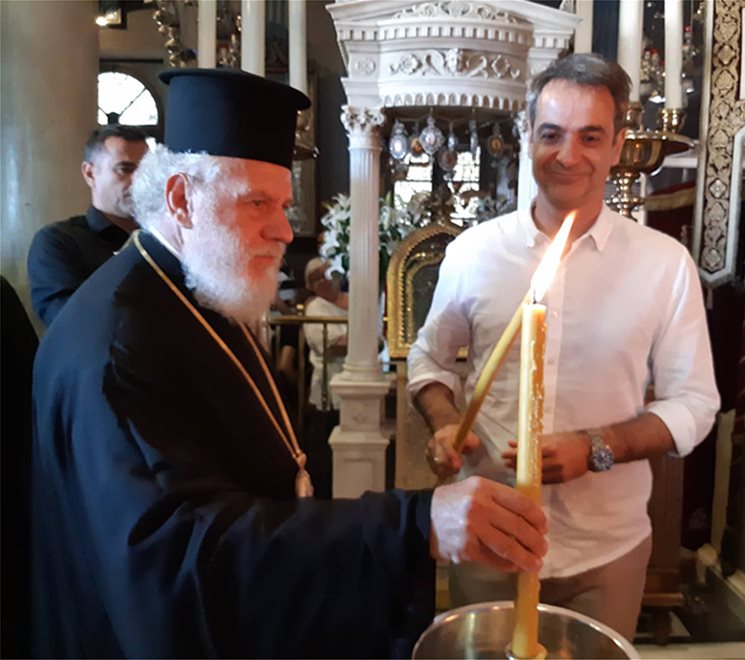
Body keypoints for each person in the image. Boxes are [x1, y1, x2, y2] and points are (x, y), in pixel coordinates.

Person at [30, 68, 547, 658]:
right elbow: (180, 563)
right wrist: (412, 524)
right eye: (257, 203)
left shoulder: (195, 291)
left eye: (282, 204)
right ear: (180, 198)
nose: (282, 231)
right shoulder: (119, 345)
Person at [407, 53, 720, 641]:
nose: (568, 155)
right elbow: (429, 359)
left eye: (590, 137)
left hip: (605, 549)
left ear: (618, 144)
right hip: (490, 535)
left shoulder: (663, 264)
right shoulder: (475, 253)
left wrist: (597, 446)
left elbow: (695, 404)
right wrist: (446, 421)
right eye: (551, 134)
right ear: (528, 135)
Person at [27, 124, 149, 326]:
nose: (139, 181)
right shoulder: (58, 242)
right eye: (125, 169)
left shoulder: (161, 238)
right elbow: (70, 325)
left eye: (145, 170)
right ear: (90, 173)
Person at [302, 257, 349, 411]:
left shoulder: (357, 300)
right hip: (330, 383)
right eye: (317, 279)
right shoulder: (315, 308)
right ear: (310, 286)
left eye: (327, 274)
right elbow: (333, 346)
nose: (323, 281)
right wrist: (366, 342)